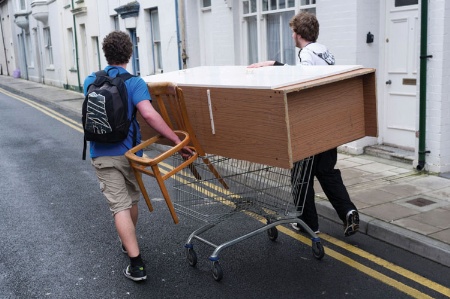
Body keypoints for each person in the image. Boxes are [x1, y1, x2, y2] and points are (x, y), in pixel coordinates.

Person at [84, 31, 192, 282]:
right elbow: (150, 115)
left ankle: (136, 263)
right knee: (131, 202)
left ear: (106, 53)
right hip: (130, 152)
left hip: (100, 152)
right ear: (129, 54)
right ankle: (134, 256)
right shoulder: (135, 82)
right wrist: (176, 140)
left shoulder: (90, 79)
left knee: (119, 205)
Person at [248, 11, 359, 237]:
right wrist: (274, 64)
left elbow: (303, 82)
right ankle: (348, 211)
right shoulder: (325, 52)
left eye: (292, 32)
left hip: (310, 125)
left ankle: (308, 223)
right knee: (326, 171)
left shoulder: (306, 55)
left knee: (301, 174)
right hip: (330, 122)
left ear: (298, 34)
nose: (291, 36)